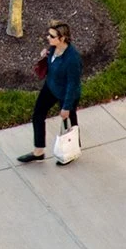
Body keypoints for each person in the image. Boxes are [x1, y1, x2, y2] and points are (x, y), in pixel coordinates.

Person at [17, 20, 82, 164]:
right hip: (50, 87)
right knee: (38, 114)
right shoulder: (54, 48)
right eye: (49, 35)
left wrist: (66, 107)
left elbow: (73, 84)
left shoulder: (72, 59)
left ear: (62, 38)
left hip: (66, 94)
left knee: (70, 124)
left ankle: (71, 150)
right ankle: (38, 152)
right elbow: (53, 63)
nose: (48, 38)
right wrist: (46, 55)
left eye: (52, 36)